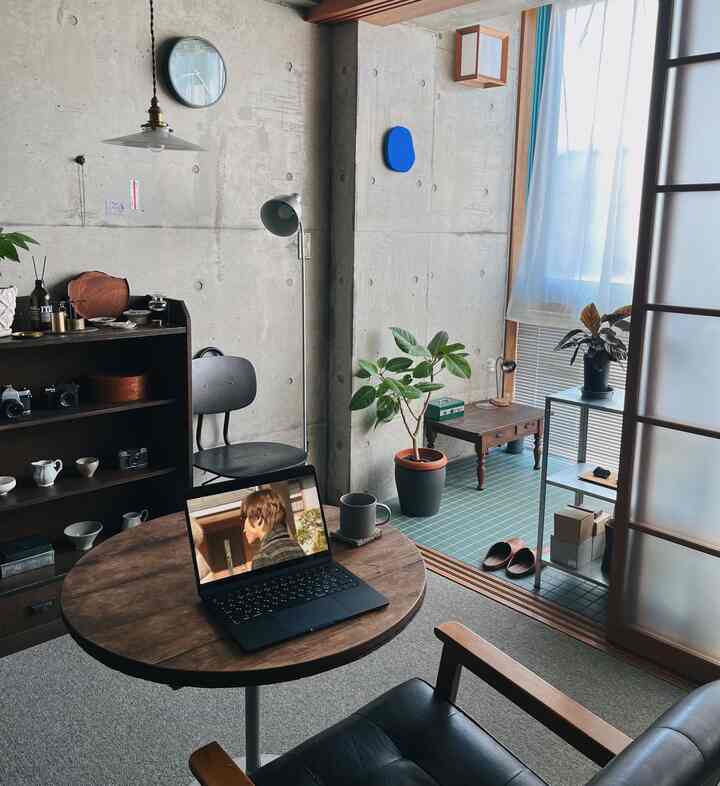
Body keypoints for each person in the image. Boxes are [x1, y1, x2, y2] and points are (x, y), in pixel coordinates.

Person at [242, 487, 305, 570]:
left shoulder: (263, 556)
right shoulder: (294, 545)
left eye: (245, 518)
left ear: (258, 518)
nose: (244, 529)